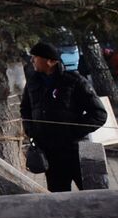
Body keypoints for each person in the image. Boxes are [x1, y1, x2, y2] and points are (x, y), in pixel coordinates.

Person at [21, 41, 107, 192]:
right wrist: (32, 132)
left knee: (91, 195)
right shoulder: (33, 82)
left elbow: (99, 114)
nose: (32, 60)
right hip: (49, 154)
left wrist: (71, 131)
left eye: (35, 57)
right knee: (58, 198)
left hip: (75, 152)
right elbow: (25, 109)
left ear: (51, 61)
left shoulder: (74, 81)